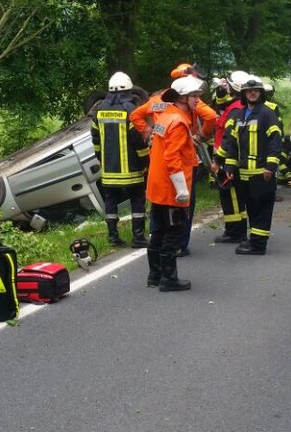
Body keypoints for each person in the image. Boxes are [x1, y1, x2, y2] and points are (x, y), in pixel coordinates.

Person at [131, 62, 217, 257]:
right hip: (179, 166)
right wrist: (200, 137)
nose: (197, 98)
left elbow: (136, 115)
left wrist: (147, 131)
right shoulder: (178, 116)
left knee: (159, 217)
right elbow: (211, 117)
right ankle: (178, 247)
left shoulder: (157, 102)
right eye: (194, 95)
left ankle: (157, 268)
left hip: (158, 164)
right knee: (179, 215)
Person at [144, 75, 205, 292]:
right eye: (194, 96)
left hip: (157, 185)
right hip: (171, 189)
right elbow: (172, 158)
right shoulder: (178, 121)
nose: (198, 100)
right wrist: (181, 189)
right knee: (173, 231)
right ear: (182, 98)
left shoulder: (166, 116)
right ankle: (168, 279)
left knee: (159, 230)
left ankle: (155, 274)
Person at [218, 76, 283, 256]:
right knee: (251, 208)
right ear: (244, 94)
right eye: (248, 91)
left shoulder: (267, 113)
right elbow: (231, 142)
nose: (252, 93)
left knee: (262, 209)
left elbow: (275, 141)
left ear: (261, 94)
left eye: (255, 91)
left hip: (262, 173)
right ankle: (254, 239)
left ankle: (258, 244)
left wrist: (271, 166)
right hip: (243, 174)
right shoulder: (238, 115)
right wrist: (229, 167)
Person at [91, 71, 150, 248]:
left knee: (111, 201)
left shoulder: (99, 111)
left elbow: (96, 142)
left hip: (109, 170)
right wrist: (145, 163)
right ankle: (138, 237)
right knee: (137, 200)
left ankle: (113, 236)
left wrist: (102, 161)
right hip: (131, 169)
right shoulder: (131, 110)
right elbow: (138, 141)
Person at [211, 71, 250, 244]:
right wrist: (220, 91)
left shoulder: (235, 109)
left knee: (231, 196)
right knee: (235, 197)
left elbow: (228, 138)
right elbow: (219, 104)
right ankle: (236, 229)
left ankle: (235, 232)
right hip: (231, 157)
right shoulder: (237, 106)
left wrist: (218, 160)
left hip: (227, 159)